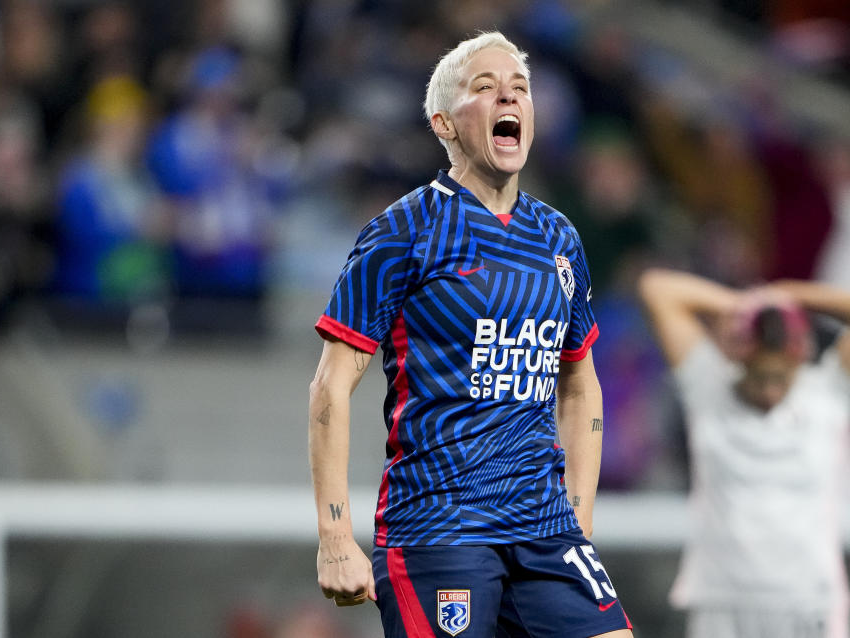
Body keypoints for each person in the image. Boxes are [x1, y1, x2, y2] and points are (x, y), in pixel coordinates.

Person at [308, 32, 633, 638]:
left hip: (544, 528)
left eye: (520, 89)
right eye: (483, 88)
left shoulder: (559, 238)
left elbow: (581, 385)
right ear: (443, 123)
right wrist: (334, 536)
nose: (507, 96)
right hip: (439, 525)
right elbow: (330, 386)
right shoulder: (402, 232)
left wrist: (579, 525)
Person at [637, 268, 850, 638]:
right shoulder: (708, 389)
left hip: (809, 598)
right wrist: (748, 306)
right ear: (740, 359)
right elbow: (657, 288)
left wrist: (789, 294)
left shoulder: (827, 395)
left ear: (798, 360)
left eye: (780, 378)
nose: (769, 391)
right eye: (759, 376)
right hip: (722, 596)